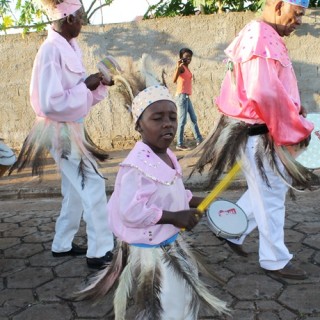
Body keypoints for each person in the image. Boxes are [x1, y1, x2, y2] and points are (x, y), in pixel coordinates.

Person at [74, 83, 229, 319]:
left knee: (183, 296)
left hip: (169, 242)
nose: (167, 123)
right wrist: (175, 217)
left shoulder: (165, 154)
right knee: (168, 303)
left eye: (172, 117)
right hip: (153, 251)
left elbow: (170, 191)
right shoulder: (136, 167)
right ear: (139, 125)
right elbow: (131, 212)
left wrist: (196, 200)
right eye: (157, 118)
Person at [193, 0, 319, 280]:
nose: (299, 21)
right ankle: (275, 260)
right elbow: (263, 93)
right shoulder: (261, 37)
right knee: (272, 196)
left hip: (254, 132)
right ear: (277, 6)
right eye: (296, 14)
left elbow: (272, 89)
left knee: (262, 190)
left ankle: (233, 231)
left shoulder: (261, 35)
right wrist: (298, 125)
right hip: (257, 134)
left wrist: (294, 107)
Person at [9, 0, 114, 269]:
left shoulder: (68, 47)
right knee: (92, 184)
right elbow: (47, 103)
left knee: (75, 189)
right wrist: (85, 87)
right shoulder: (49, 51)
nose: (82, 22)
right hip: (60, 132)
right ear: (68, 20)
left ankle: (62, 244)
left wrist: (98, 84)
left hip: (71, 127)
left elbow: (78, 97)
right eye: (80, 17)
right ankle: (99, 251)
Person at [173, 48, 203, 150]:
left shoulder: (187, 68)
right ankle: (179, 143)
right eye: (186, 56)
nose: (188, 58)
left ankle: (199, 140)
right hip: (181, 96)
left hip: (186, 96)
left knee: (193, 118)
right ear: (181, 57)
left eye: (190, 56)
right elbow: (174, 80)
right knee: (182, 120)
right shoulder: (181, 67)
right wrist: (178, 66)